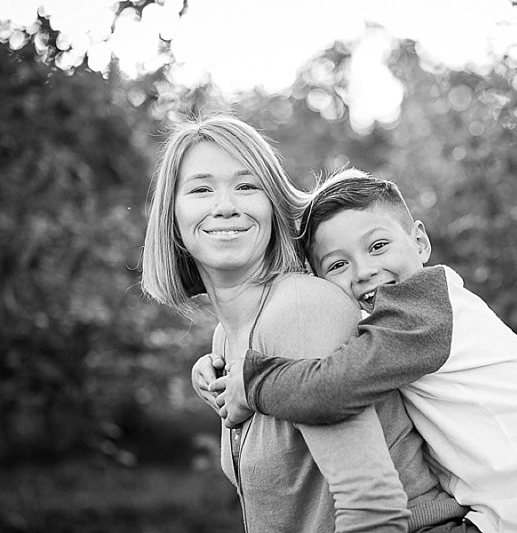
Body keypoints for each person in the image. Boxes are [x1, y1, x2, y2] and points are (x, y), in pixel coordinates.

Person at [206, 169, 517, 533]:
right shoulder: (412, 317)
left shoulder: (422, 312)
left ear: (420, 242)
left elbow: (332, 387)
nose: (364, 270)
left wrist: (252, 381)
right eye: (336, 265)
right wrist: (215, 365)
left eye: (377, 246)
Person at [144, 116, 471, 533]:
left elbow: (374, 509)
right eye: (201, 188)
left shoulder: (300, 307)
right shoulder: (225, 337)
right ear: (171, 215)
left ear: (274, 205)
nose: (225, 205)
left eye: (247, 186)